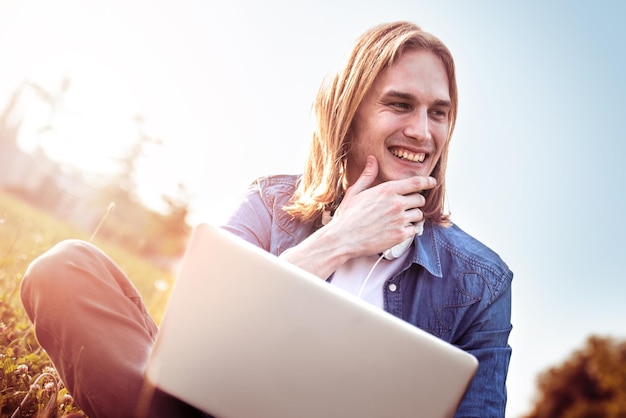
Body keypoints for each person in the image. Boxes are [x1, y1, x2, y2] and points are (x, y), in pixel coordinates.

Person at [20, 20, 513, 418]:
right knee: (64, 269)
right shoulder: (270, 202)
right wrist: (335, 241)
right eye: (400, 104)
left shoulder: (482, 282)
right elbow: (194, 344)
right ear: (350, 112)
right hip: (201, 407)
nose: (422, 131)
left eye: (439, 113)